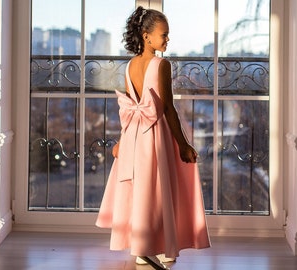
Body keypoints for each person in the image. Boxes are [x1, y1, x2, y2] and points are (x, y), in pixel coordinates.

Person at [96, 6, 210, 269]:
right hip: (156, 136)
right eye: (164, 35)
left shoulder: (130, 66)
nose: (167, 40)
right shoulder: (161, 64)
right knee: (160, 192)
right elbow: (168, 109)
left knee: (142, 193)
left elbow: (131, 112)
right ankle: (165, 247)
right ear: (146, 36)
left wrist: (123, 143)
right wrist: (183, 144)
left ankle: (142, 248)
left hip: (135, 137)